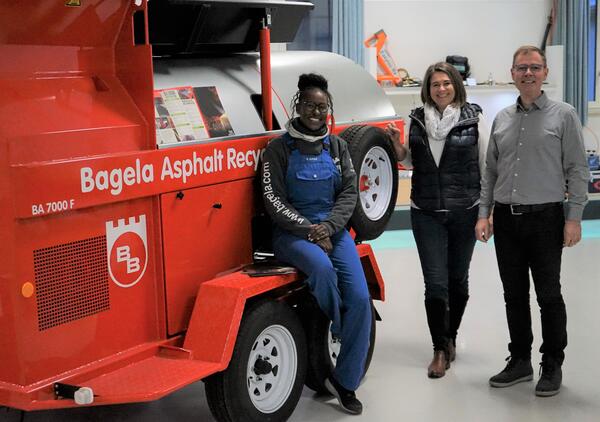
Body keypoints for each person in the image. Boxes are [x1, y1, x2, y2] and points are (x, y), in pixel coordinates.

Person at [475, 45, 588, 397]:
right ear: (512, 72)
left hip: (546, 220)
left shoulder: (563, 115)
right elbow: (490, 171)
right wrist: (484, 213)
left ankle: (552, 363)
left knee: (548, 295)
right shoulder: (502, 118)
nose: (528, 73)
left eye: (534, 67)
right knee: (514, 295)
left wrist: (574, 219)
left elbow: (578, 170)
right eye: (521, 67)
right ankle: (520, 360)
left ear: (545, 73)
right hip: (507, 221)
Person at [260, 73, 371, 415]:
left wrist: (328, 228)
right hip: (292, 234)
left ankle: (346, 382)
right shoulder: (277, 149)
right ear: (298, 105)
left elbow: (349, 192)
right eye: (309, 105)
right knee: (321, 269)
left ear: (329, 109)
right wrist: (309, 229)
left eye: (322, 106)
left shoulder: (337, 147)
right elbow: (271, 198)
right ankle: (339, 326)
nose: (315, 112)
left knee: (361, 298)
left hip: (332, 231)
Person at [386, 62, 488, 378]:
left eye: (446, 83)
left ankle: (451, 335)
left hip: (465, 210)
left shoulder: (474, 120)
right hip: (426, 211)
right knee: (436, 283)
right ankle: (440, 349)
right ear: (427, 90)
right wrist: (397, 147)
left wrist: (486, 212)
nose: (441, 89)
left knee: (458, 280)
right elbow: (410, 160)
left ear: (456, 84)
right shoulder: (417, 120)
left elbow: (485, 167)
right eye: (434, 85)